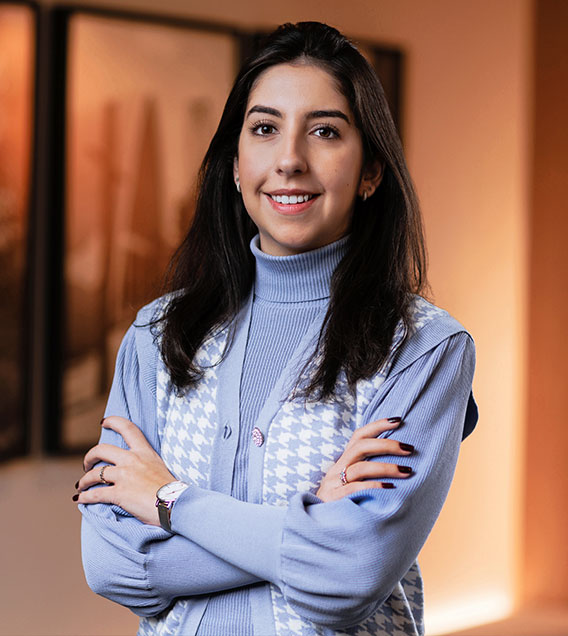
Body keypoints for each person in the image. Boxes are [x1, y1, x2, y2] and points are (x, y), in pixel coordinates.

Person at [75, 21, 477, 636]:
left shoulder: (424, 349)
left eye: (324, 131)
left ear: (370, 172)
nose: (290, 159)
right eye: (264, 129)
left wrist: (169, 501)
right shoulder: (156, 336)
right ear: (236, 166)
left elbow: (348, 577)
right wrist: (309, 527)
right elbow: (111, 565)